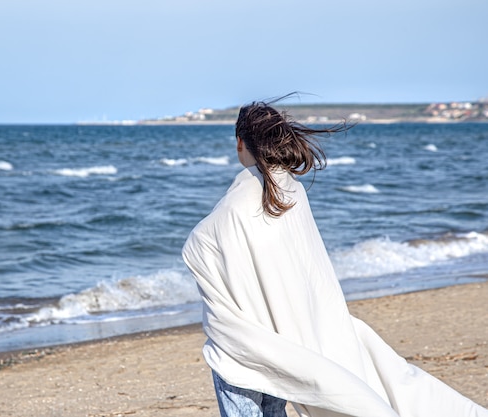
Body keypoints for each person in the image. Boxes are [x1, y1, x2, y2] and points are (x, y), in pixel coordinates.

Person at [181, 97, 488, 417]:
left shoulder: (243, 202)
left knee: (240, 378)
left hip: (248, 339)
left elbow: (203, 245)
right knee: (272, 399)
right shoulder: (290, 190)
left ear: (240, 143)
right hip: (287, 333)